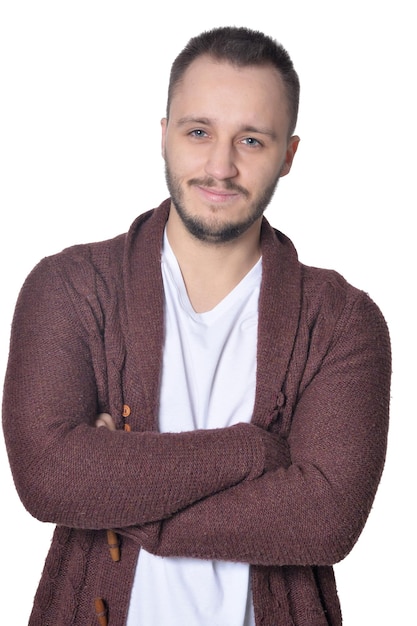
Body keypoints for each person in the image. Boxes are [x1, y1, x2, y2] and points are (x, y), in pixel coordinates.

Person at [2, 25, 391, 626]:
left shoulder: (342, 321)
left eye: (252, 141)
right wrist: (253, 451)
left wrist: (114, 479)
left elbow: (326, 520)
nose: (220, 166)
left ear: (288, 155)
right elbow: (51, 479)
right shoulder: (70, 286)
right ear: (164, 137)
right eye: (199, 132)